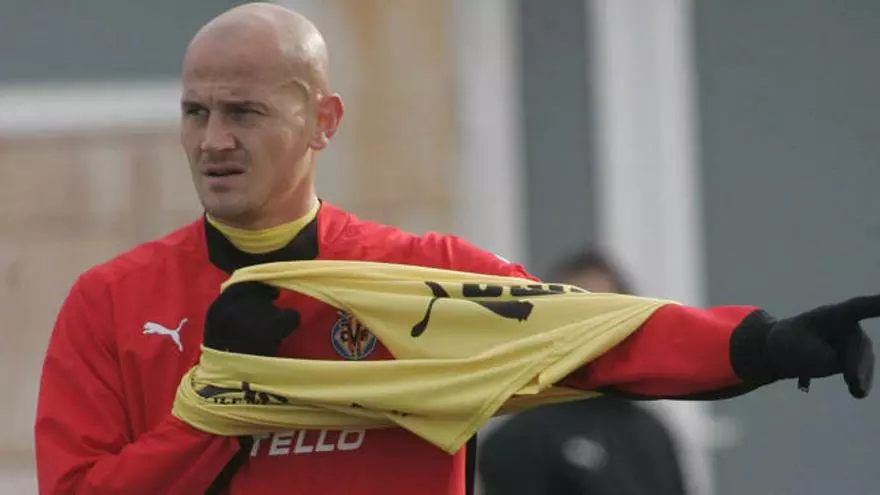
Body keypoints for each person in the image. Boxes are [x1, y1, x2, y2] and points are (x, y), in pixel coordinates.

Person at [33, 3, 877, 495]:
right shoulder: (111, 301)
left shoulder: (418, 277)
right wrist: (214, 407)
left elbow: (599, 337)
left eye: (244, 112)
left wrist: (760, 342)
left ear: (323, 121)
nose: (213, 140)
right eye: (196, 112)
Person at [478, 249, 687, 495]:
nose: (595, 329)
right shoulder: (517, 439)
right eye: (582, 313)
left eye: (607, 313)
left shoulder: (651, 431)